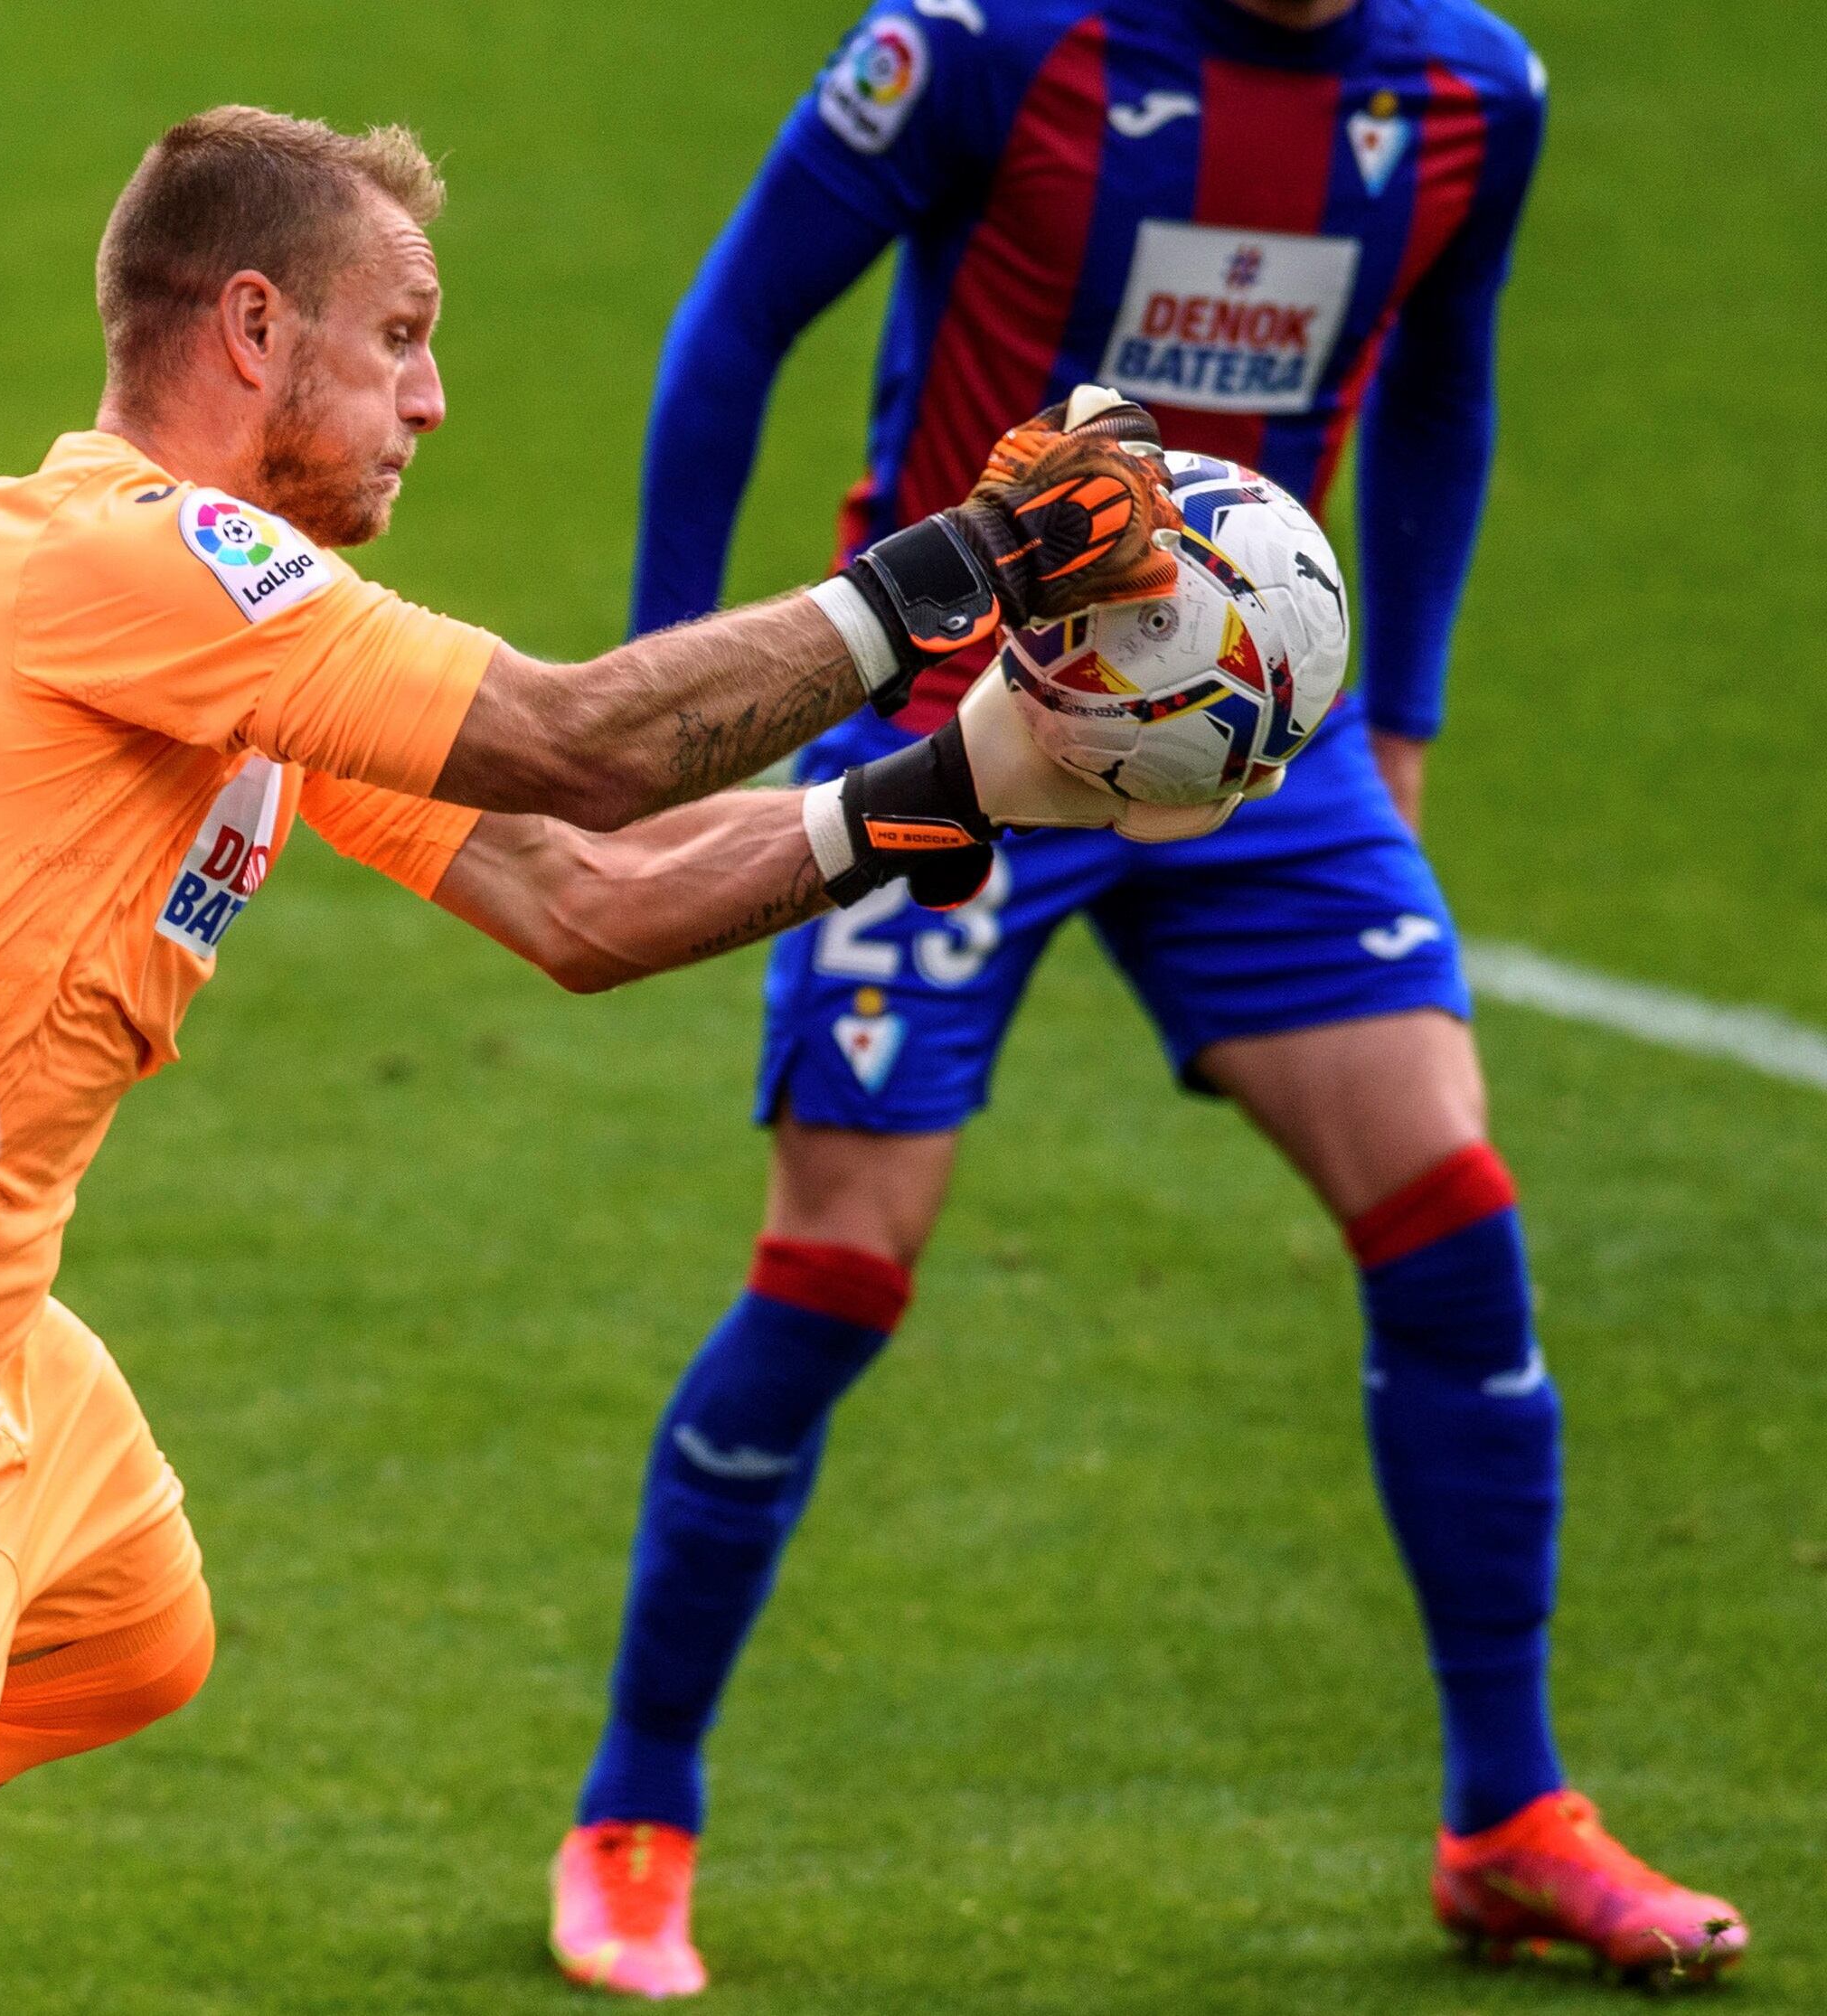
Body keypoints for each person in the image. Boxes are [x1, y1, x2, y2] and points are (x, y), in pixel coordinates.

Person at [0, 108, 1192, 2015]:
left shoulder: (231, 632)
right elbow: (589, 743)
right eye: (399, 334)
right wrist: (970, 561)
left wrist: (964, 781)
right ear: (254, 326)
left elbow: (582, 896)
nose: (432, 399)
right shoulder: (129, 561)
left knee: (139, 1635)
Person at [550, 0, 1747, 1996]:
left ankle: (1512, 1817)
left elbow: (1445, 390)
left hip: (1268, 746)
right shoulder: (986, 49)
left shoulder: (1474, 94)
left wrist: (1415, 709)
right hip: (959, 721)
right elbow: (734, 323)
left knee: (1450, 1214)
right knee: (838, 1265)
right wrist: (679, 696)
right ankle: (636, 1808)